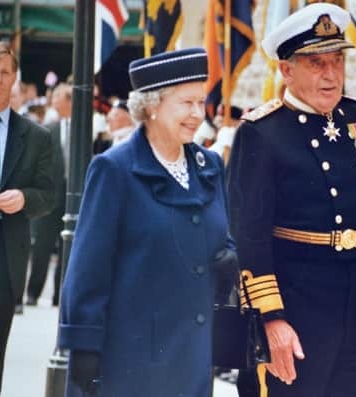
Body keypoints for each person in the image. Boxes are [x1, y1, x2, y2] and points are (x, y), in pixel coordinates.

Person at [227, 4, 356, 396]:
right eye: (316, 64)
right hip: (296, 310)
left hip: (354, 311)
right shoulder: (262, 133)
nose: (331, 75)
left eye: (338, 61)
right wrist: (272, 321)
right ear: (287, 71)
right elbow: (248, 239)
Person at [58, 47, 234, 396]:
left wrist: (228, 255)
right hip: (130, 361)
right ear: (152, 105)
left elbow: (221, 233)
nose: (198, 114)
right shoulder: (115, 169)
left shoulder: (209, 165)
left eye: (201, 103)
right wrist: (83, 347)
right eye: (186, 103)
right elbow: (88, 268)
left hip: (193, 356)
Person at [0, 41, 55, 394]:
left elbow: (49, 196)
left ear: (14, 79)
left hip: (5, 262)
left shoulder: (35, 137)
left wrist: (24, 199)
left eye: (4, 72)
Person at [26, 82, 71, 307]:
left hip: (73, 199)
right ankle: (33, 292)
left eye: (57, 99)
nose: (53, 103)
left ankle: (59, 296)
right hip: (50, 198)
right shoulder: (49, 129)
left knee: (68, 250)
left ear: (69, 101)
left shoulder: (88, 127)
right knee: (42, 247)